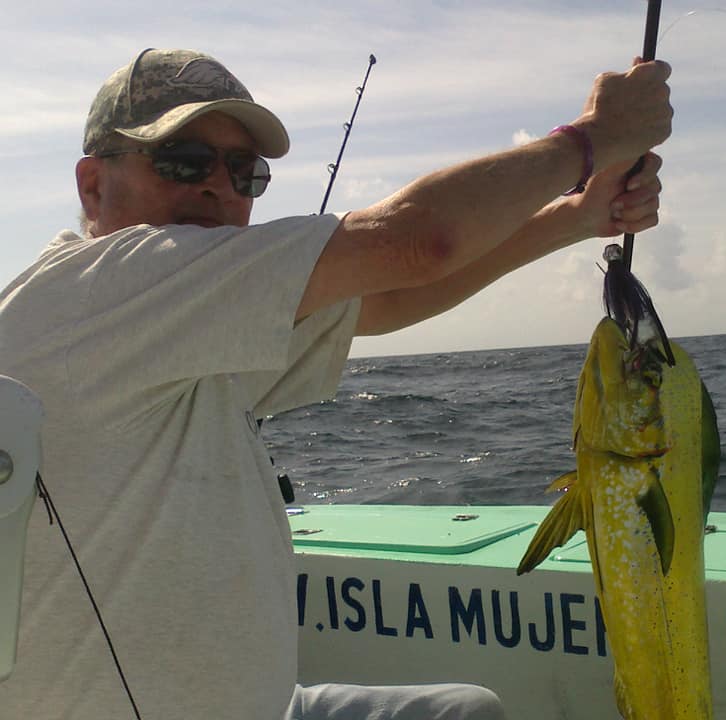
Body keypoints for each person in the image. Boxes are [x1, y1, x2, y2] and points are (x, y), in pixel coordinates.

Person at [0, 48, 670, 719]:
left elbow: (387, 296)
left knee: (468, 711)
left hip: (267, 705)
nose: (219, 188)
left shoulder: (179, 324)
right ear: (93, 185)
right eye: (184, 160)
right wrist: (592, 139)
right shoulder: (97, 290)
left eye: (243, 171)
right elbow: (415, 242)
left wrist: (577, 216)